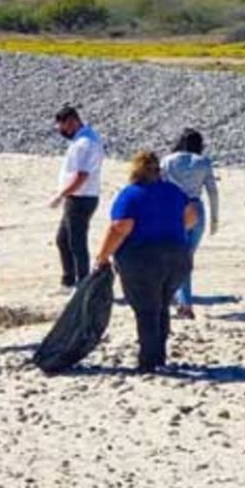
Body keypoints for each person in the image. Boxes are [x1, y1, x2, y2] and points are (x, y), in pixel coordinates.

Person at [94, 151, 197, 372]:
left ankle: (149, 361)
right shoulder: (174, 191)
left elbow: (120, 227)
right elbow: (191, 217)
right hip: (177, 255)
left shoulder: (131, 195)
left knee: (146, 309)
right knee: (161, 305)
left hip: (142, 259)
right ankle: (159, 356)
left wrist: (102, 256)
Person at [161, 128, 219, 319]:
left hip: (174, 209)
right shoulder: (203, 162)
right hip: (197, 209)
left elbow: (159, 186)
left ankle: (183, 303)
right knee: (186, 257)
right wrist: (214, 219)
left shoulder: (168, 161)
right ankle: (180, 299)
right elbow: (212, 192)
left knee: (176, 257)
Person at [49, 105, 105, 293]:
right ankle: (68, 281)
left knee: (76, 242)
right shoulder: (81, 140)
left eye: (63, 127)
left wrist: (61, 195)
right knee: (62, 240)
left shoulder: (85, 143)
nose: (62, 132)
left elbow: (82, 176)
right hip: (76, 197)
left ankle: (82, 284)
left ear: (72, 122)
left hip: (81, 198)